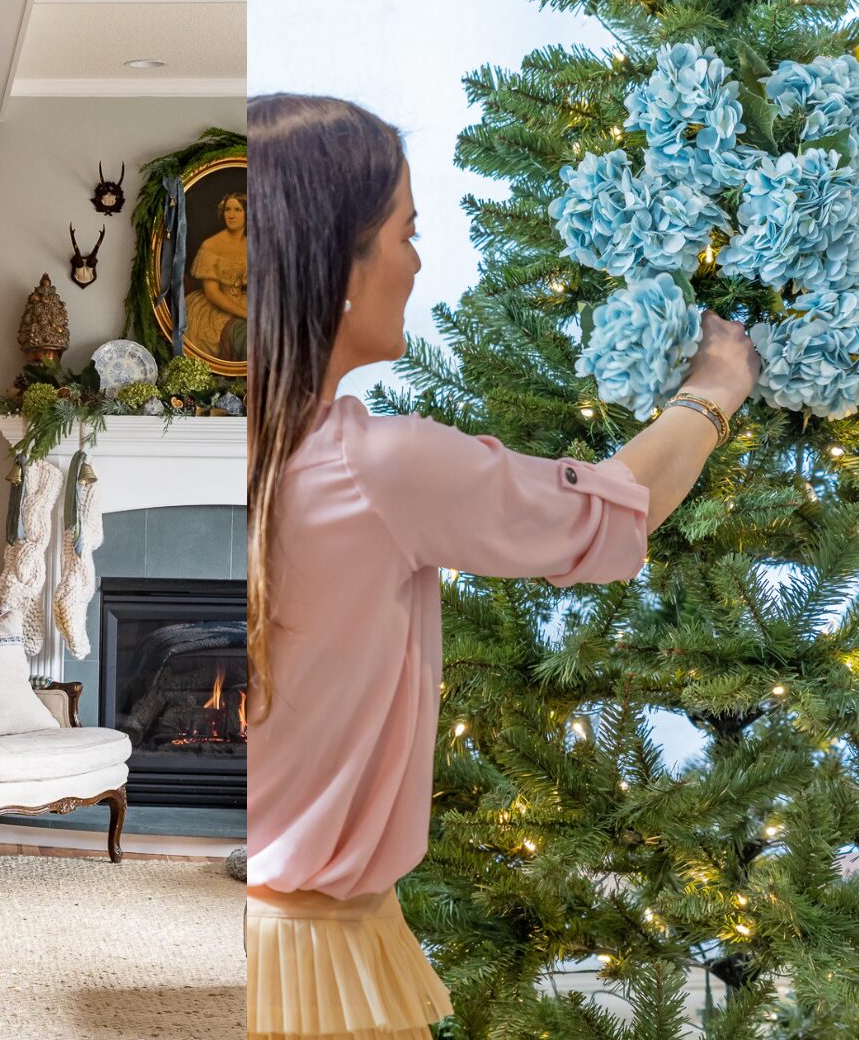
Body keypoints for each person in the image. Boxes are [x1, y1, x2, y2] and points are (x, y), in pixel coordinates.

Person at [246, 92, 763, 1039]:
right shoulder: (377, 465)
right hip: (316, 963)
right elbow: (614, 513)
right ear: (341, 267)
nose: (417, 258)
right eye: (408, 230)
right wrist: (716, 387)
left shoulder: (255, 451)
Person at [185, 191, 249, 362]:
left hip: (243, 300)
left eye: (237, 210)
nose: (231, 215)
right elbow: (212, 293)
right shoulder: (211, 245)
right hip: (213, 307)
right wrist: (246, 314)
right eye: (227, 209)